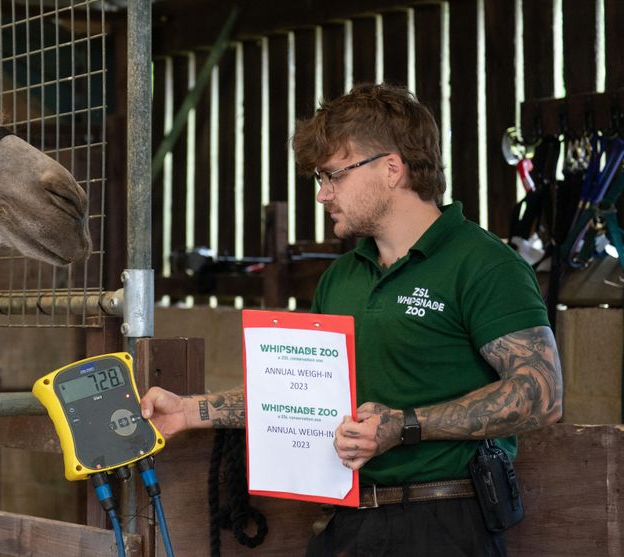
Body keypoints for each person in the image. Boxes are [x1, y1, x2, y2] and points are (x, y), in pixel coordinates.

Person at [140, 83, 563, 556]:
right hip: (345, 524)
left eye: (333, 175)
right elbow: (298, 394)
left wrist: (404, 425)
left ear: (391, 168)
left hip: (444, 521)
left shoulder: (484, 264)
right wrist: (190, 410)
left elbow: (541, 394)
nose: (322, 194)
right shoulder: (339, 279)